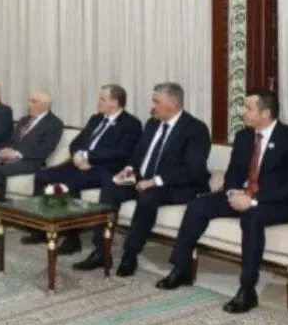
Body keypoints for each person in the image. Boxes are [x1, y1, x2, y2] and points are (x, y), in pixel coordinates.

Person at [158, 90, 288, 314]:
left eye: (248, 108)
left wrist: (253, 200)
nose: (242, 112)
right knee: (198, 206)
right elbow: (232, 174)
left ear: (265, 113)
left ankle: (247, 290)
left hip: (281, 203)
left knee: (252, 217)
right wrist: (232, 193)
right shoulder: (244, 137)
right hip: (244, 196)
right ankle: (182, 269)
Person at [73, 82, 211, 276]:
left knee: (148, 196)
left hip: (175, 185)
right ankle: (101, 250)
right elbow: (137, 155)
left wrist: (155, 181)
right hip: (142, 179)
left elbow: (192, 170)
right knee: (111, 186)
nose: (152, 106)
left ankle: (130, 254)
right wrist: (127, 171)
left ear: (172, 103)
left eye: (156, 101)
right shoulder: (152, 124)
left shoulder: (195, 129)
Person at [29, 84, 142, 254]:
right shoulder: (96, 119)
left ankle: (72, 238)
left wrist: (89, 158)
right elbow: (76, 142)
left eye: (102, 99)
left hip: (104, 169)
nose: (99, 102)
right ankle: (41, 229)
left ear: (115, 102)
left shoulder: (131, 124)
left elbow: (121, 152)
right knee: (42, 176)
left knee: (69, 181)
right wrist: (78, 156)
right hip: (80, 164)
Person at [0, 89, 64, 235]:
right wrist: (4, 151)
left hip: (32, 162)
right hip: (11, 158)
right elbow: (12, 141)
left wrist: (17, 154)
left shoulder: (54, 124)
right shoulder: (24, 120)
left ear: (45, 105)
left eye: (34, 102)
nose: (29, 104)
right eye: (29, 101)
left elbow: (44, 150)